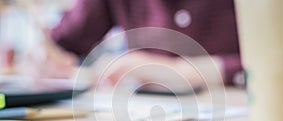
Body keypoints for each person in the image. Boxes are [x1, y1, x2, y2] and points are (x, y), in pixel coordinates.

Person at [32, 0, 243, 91]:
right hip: (145, 117)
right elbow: (63, 42)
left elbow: (271, 63)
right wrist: (45, 55)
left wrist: (181, 71)